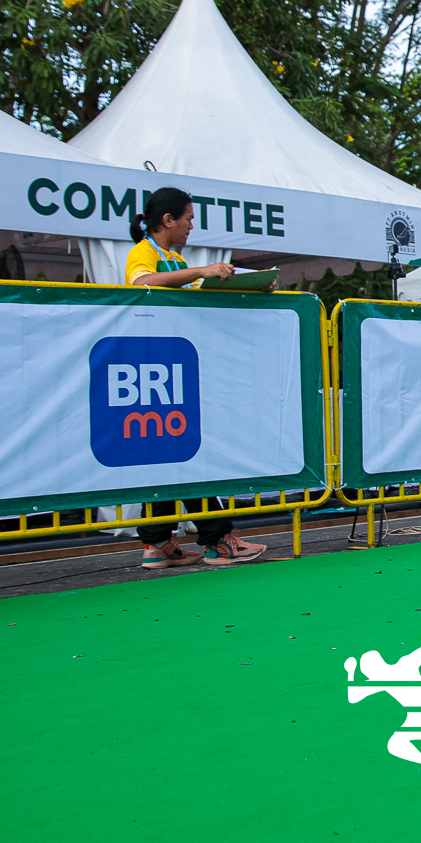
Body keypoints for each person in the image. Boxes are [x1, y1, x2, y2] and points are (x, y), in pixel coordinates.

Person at [122, 187, 267, 569]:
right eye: (187, 218)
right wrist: (202, 271)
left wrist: (246, 286)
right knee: (185, 452)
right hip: (159, 366)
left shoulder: (173, 257)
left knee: (170, 454)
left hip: (169, 364)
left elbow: (192, 289)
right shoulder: (145, 252)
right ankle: (217, 539)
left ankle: (158, 542)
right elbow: (141, 282)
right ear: (167, 219)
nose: (191, 226)